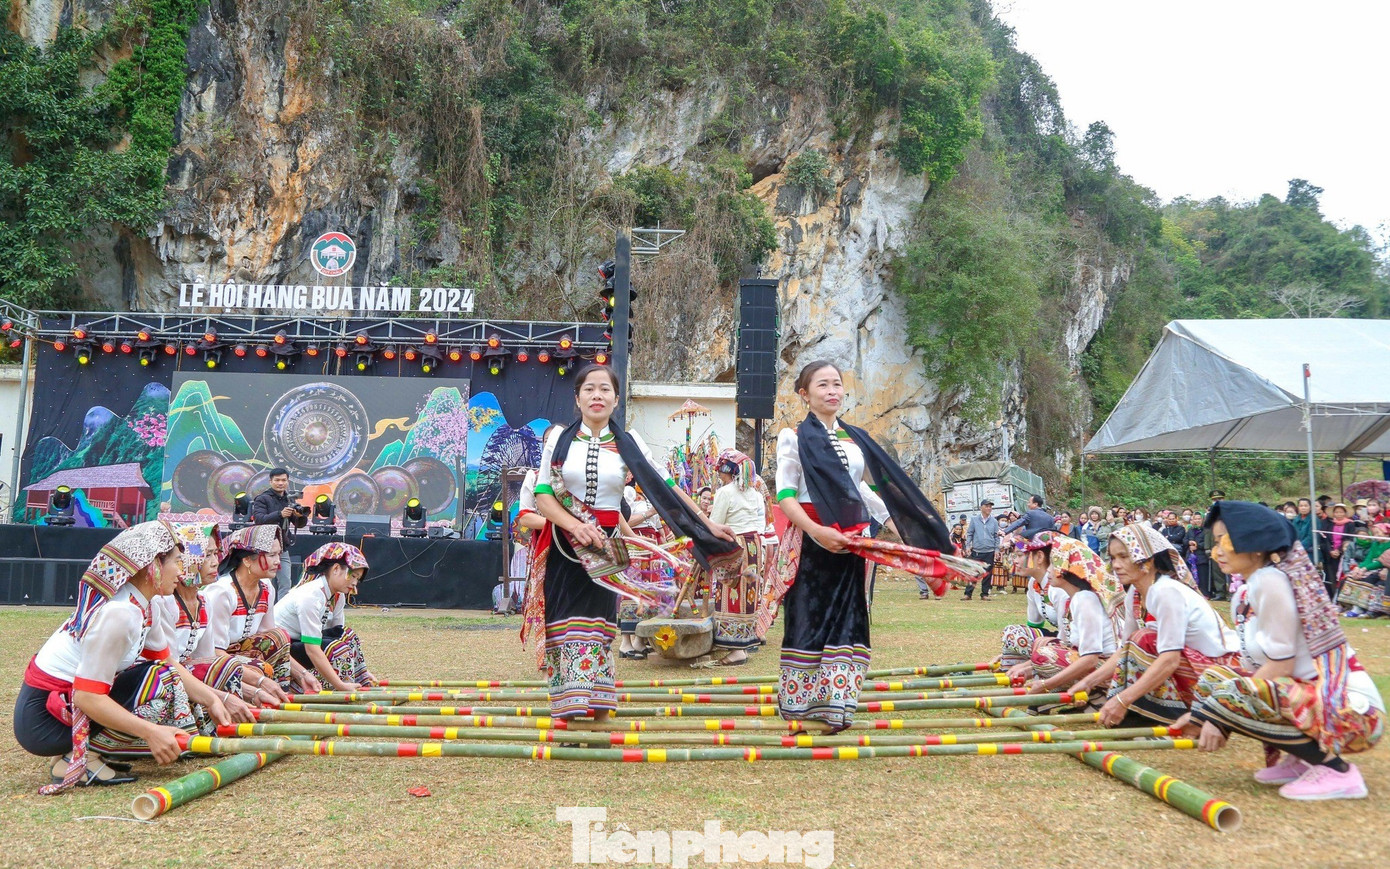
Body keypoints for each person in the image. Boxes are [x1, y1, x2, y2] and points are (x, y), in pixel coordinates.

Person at [528, 364, 736, 724]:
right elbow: (544, 497)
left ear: (616, 398)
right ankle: (568, 702)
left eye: (605, 389)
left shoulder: (630, 443)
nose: (597, 396)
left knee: (598, 623)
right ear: (577, 398)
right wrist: (575, 526)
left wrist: (708, 523)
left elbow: (667, 489)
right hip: (566, 547)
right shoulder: (558, 440)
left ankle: (594, 700)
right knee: (564, 621)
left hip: (606, 548)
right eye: (589, 389)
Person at [767, 360, 953, 731]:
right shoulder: (793, 437)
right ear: (804, 394)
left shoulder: (856, 440)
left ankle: (836, 706)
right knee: (807, 616)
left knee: (848, 620)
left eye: (837, 384)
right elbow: (786, 495)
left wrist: (908, 532)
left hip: (852, 543)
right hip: (811, 541)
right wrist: (818, 531)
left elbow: (869, 491)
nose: (832, 391)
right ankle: (801, 709)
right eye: (823, 385)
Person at [1179, 501, 1383, 800]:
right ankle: (1301, 759)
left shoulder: (1270, 581)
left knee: (1234, 691)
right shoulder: (1248, 590)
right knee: (1217, 679)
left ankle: (1337, 770)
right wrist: (1202, 713)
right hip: (1310, 698)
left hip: (1353, 712)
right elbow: (1251, 669)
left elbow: (1281, 666)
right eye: (1215, 541)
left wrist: (1218, 713)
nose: (1217, 550)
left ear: (1256, 544)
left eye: (1226, 540)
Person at [13, 523, 225, 792]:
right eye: (177, 562)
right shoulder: (120, 613)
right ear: (153, 566)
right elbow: (86, 696)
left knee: (162, 672)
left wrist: (214, 699)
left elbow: (169, 662)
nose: (182, 571)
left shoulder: (147, 605)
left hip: (64, 706)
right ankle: (77, 757)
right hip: (42, 721)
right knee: (160, 679)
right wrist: (151, 732)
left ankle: (87, 751)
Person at [1075, 523, 1240, 726]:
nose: (1116, 565)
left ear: (1149, 560)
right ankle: (1140, 712)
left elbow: (1169, 659)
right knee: (1136, 643)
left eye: (1124, 557)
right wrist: (1088, 682)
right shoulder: (1134, 595)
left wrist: (1122, 699)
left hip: (1218, 677)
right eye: (1113, 558)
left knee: (1144, 640)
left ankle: (1163, 714)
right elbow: (1123, 650)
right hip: (1192, 669)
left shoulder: (1166, 592)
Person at [1011, 532, 1119, 704]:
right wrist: (1027, 667)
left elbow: (1090, 657)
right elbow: (1069, 643)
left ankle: (1096, 696)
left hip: (1108, 669)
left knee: (1045, 655)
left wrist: (1045, 684)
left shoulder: (1084, 600)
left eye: (1053, 565)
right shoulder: (1077, 598)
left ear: (1068, 569)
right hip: (1098, 663)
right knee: (1043, 651)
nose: (1048, 569)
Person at [203, 525, 301, 700]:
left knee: (279, 636)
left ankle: (281, 694)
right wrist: (259, 678)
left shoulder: (267, 589)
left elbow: (274, 641)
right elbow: (213, 651)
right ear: (247, 560)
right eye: (271, 555)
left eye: (278, 554)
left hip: (242, 655)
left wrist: (302, 674)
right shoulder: (222, 593)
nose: (278, 561)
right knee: (260, 667)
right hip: (216, 659)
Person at [274, 542, 377, 690]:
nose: (355, 583)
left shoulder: (338, 596)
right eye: (353, 576)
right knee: (338, 649)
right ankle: (341, 687)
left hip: (300, 644)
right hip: (283, 651)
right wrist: (339, 684)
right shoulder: (310, 596)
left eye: (357, 579)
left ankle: (360, 680)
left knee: (348, 636)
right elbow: (312, 648)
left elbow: (338, 634)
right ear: (336, 569)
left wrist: (364, 671)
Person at [700, 450, 768, 665]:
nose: (719, 474)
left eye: (720, 470)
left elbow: (716, 522)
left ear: (727, 471)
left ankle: (736, 649)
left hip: (734, 545)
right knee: (749, 592)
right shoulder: (755, 494)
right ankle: (748, 641)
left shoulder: (725, 493)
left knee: (731, 591)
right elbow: (762, 524)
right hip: (754, 545)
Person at [997, 535, 1073, 668]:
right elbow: (1033, 627)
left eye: (1020, 555)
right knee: (1013, 633)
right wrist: (1010, 652)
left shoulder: (1058, 588)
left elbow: (1066, 638)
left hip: (1073, 643)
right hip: (1058, 640)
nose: (1015, 561)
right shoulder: (1033, 584)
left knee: (1014, 634)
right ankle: (1011, 677)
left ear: (1039, 557)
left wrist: (1027, 663)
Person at [251, 467, 307, 598]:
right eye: (277, 480)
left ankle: (281, 615)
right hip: (266, 547)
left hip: (283, 547)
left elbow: (298, 524)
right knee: (266, 582)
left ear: (287, 482)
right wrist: (280, 514)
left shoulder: (290, 499)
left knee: (286, 583)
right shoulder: (262, 499)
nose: (280, 483)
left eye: (283, 480)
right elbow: (259, 520)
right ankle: (263, 611)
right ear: (270, 481)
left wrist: (300, 516)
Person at [961, 500, 999, 601]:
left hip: (989, 551)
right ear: (981, 507)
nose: (989, 508)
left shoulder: (994, 521)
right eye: (987, 506)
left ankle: (985, 594)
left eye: (990, 506)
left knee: (987, 574)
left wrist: (997, 550)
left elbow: (996, 536)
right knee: (973, 573)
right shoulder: (974, 520)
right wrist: (968, 546)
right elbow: (970, 533)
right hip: (977, 551)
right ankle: (968, 594)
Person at [1318, 503, 1355, 599]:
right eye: (1337, 512)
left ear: (1345, 513)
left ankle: (1343, 599)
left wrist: (1339, 550)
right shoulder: (1330, 524)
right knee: (1332, 577)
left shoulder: (1350, 524)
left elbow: (1349, 538)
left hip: (1343, 554)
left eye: (1341, 512)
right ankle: (1334, 598)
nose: (1339, 514)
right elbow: (1325, 538)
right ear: (1333, 514)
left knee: (1343, 577)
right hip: (1330, 554)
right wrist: (1330, 550)